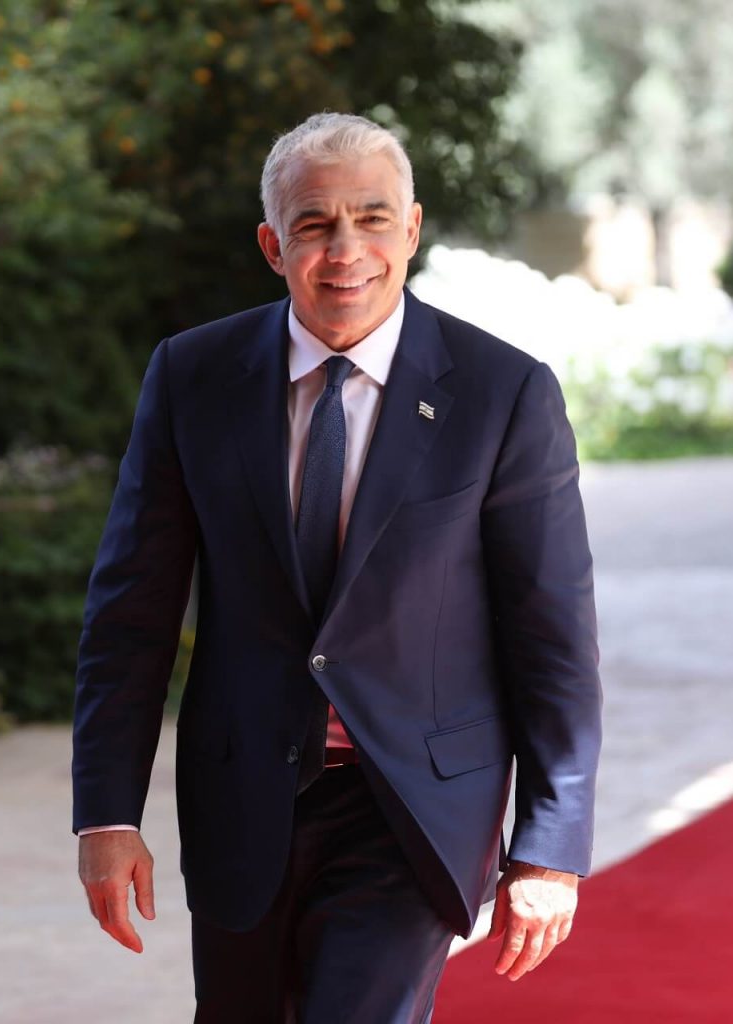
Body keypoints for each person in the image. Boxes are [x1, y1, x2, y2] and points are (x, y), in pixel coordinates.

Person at [71, 112, 602, 1023]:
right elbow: (131, 613)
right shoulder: (192, 377)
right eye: (315, 224)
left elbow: (552, 633)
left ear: (413, 229)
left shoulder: (502, 394)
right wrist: (108, 814)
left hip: (414, 809)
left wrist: (550, 845)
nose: (347, 251)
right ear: (273, 246)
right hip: (243, 794)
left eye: (373, 219)